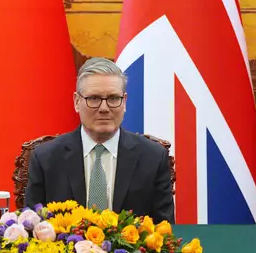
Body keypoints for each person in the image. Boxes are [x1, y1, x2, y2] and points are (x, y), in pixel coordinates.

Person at [25, 57, 175, 222]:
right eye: (94, 98)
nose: (104, 108)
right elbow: (32, 226)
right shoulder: (46, 159)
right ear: (77, 102)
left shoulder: (153, 158)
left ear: (124, 102)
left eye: (113, 98)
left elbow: (165, 229)